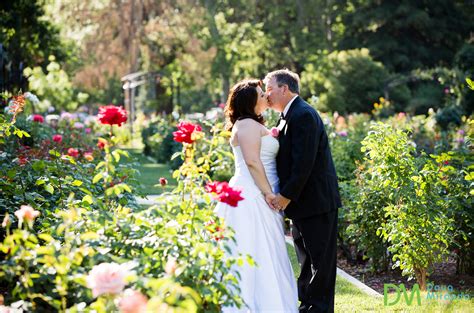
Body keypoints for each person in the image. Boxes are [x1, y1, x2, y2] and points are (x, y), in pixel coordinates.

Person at [215, 79, 298, 312]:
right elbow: (252, 161)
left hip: (260, 192)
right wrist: (269, 194)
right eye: (261, 95)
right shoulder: (247, 125)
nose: (265, 98)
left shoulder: (251, 124)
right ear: (250, 101)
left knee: (266, 251)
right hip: (253, 195)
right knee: (253, 249)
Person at [264, 69, 341, 313]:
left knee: (321, 261)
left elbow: (303, 162)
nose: (266, 94)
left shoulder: (304, 114)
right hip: (302, 203)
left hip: (317, 202)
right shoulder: (288, 115)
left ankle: (319, 308)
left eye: (269, 88)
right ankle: (308, 305)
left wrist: (285, 196)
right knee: (306, 259)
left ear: (284, 89)